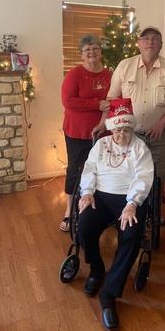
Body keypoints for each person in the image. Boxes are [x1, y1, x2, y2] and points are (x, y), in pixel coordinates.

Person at [93, 26, 165, 214]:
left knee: (158, 175)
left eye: (155, 38)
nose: (150, 42)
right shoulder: (124, 66)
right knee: (129, 174)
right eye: (145, 38)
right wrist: (102, 123)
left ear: (161, 44)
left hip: (159, 136)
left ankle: (154, 214)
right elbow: (113, 99)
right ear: (138, 43)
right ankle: (131, 212)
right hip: (129, 135)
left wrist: (162, 123)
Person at [77, 98, 154, 331]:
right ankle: (97, 269)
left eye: (126, 129)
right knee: (85, 224)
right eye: (118, 129)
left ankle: (109, 294)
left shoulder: (140, 148)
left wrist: (132, 203)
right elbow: (89, 169)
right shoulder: (101, 145)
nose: (122, 133)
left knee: (131, 233)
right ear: (111, 127)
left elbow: (143, 177)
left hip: (129, 199)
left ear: (132, 128)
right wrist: (87, 192)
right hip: (100, 196)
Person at [59, 35, 112, 232]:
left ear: (101, 52)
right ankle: (68, 210)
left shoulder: (109, 75)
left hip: (103, 132)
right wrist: (97, 104)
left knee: (103, 170)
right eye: (87, 49)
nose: (92, 53)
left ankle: (99, 209)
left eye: (95, 49)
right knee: (75, 169)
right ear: (81, 53)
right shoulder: (75, 74)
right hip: (77, 132)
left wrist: (104, 119)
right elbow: (68, 101)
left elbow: (113, 100)